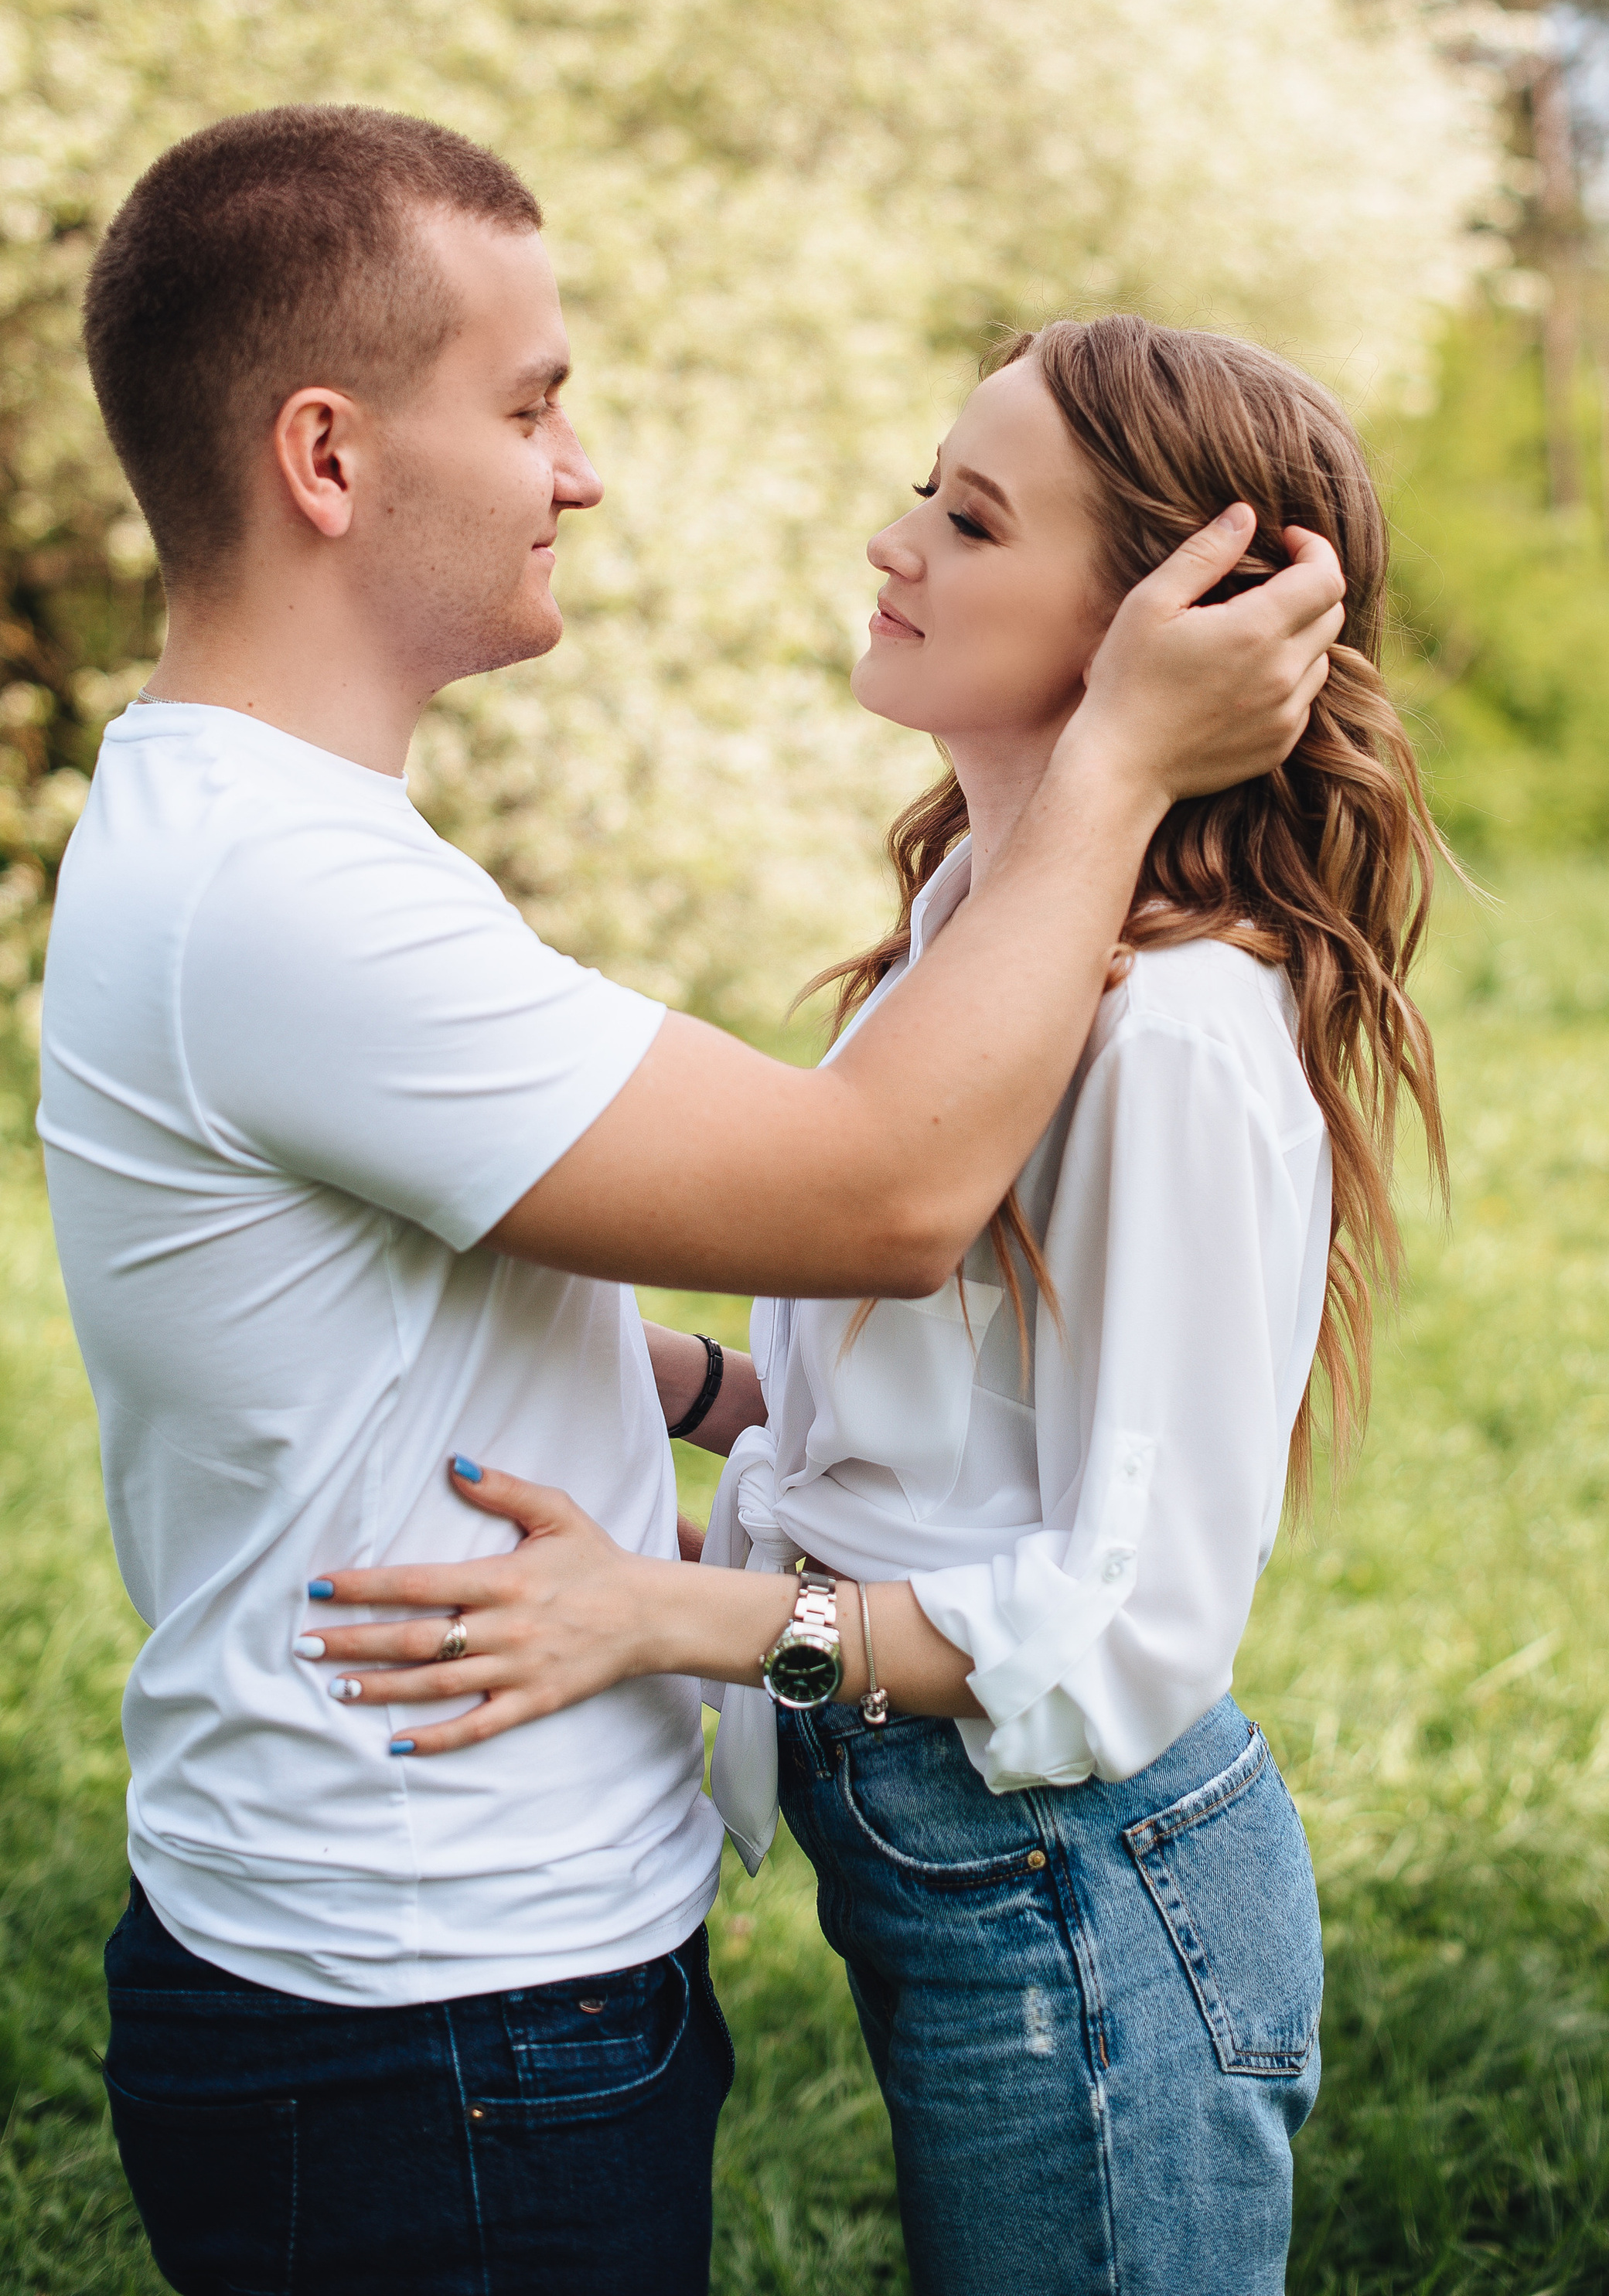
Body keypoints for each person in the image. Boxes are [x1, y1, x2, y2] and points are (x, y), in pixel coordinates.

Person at [36, 112, 1347, 2296]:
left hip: (493, 1974)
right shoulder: (290, 894)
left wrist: (668, 1404)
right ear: (330, 462)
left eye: (967, 511)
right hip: (425, 2004)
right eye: (532, 403)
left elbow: (1047, 1484)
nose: (583, 468)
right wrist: (1115, 764)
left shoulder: (288, 851)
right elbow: (891, 1196)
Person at [310, 312, 1444, 2296]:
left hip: (1087, 1904)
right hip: (971, 1878)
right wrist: (647, 1371)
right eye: (926, 487)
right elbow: (937, 1434)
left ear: (1152, 628)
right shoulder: (969, 933)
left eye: (974, 519)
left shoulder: (1178, 1033)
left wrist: (671, 1614)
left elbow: (1128, 1632)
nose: (892, 540)